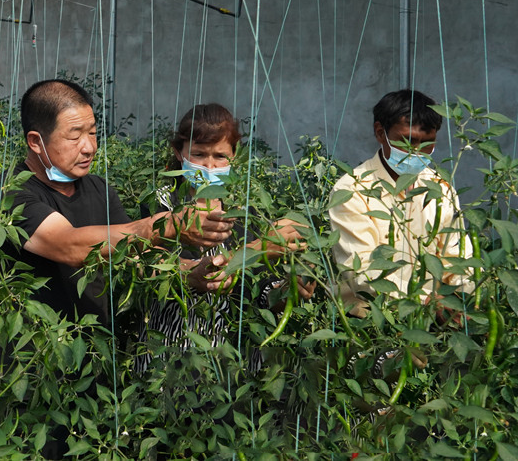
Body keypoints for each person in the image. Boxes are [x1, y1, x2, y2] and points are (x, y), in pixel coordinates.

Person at [0, 80, 234, 329]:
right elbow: (70, 245)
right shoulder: (8, 193)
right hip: (30, 360)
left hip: (94, 356)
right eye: (74, 136)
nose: (90, 147)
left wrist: (192, 272)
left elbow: (136, 258)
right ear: (36, 142)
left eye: (92, 132)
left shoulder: (98, 189)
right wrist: (165, 225)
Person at [135, 103, 311, 374]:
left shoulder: (245, 211)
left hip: (232, 361)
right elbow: (154, 266)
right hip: (172, 351)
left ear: (234, 156)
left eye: (219, 156)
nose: (209, 166)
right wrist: (258, 248)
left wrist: (285, 290)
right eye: (198, 154)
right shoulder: (161, 203)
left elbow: (259, 291)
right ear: (179, 154)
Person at [329, 89, 468, 316]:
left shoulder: (441, 189)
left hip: (437, 322)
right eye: (408, 141)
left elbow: (459, 257)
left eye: (427, 143)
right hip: (373, 325)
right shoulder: (352, 190)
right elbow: (361, 272)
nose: (416, 152)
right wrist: (426, 302)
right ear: (380, 132)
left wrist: (461, 295)